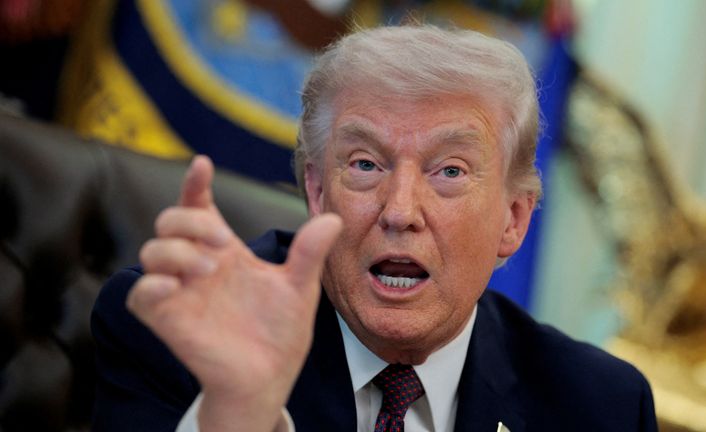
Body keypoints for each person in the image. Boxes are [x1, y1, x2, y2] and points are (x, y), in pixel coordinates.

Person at [91, 24, 658, 431]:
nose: (399, 210)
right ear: (317, 191)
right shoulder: (179, 338)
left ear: (513, 219)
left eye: (450, 171)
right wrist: (240, 411)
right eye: (365, 164)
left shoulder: (601, 405)